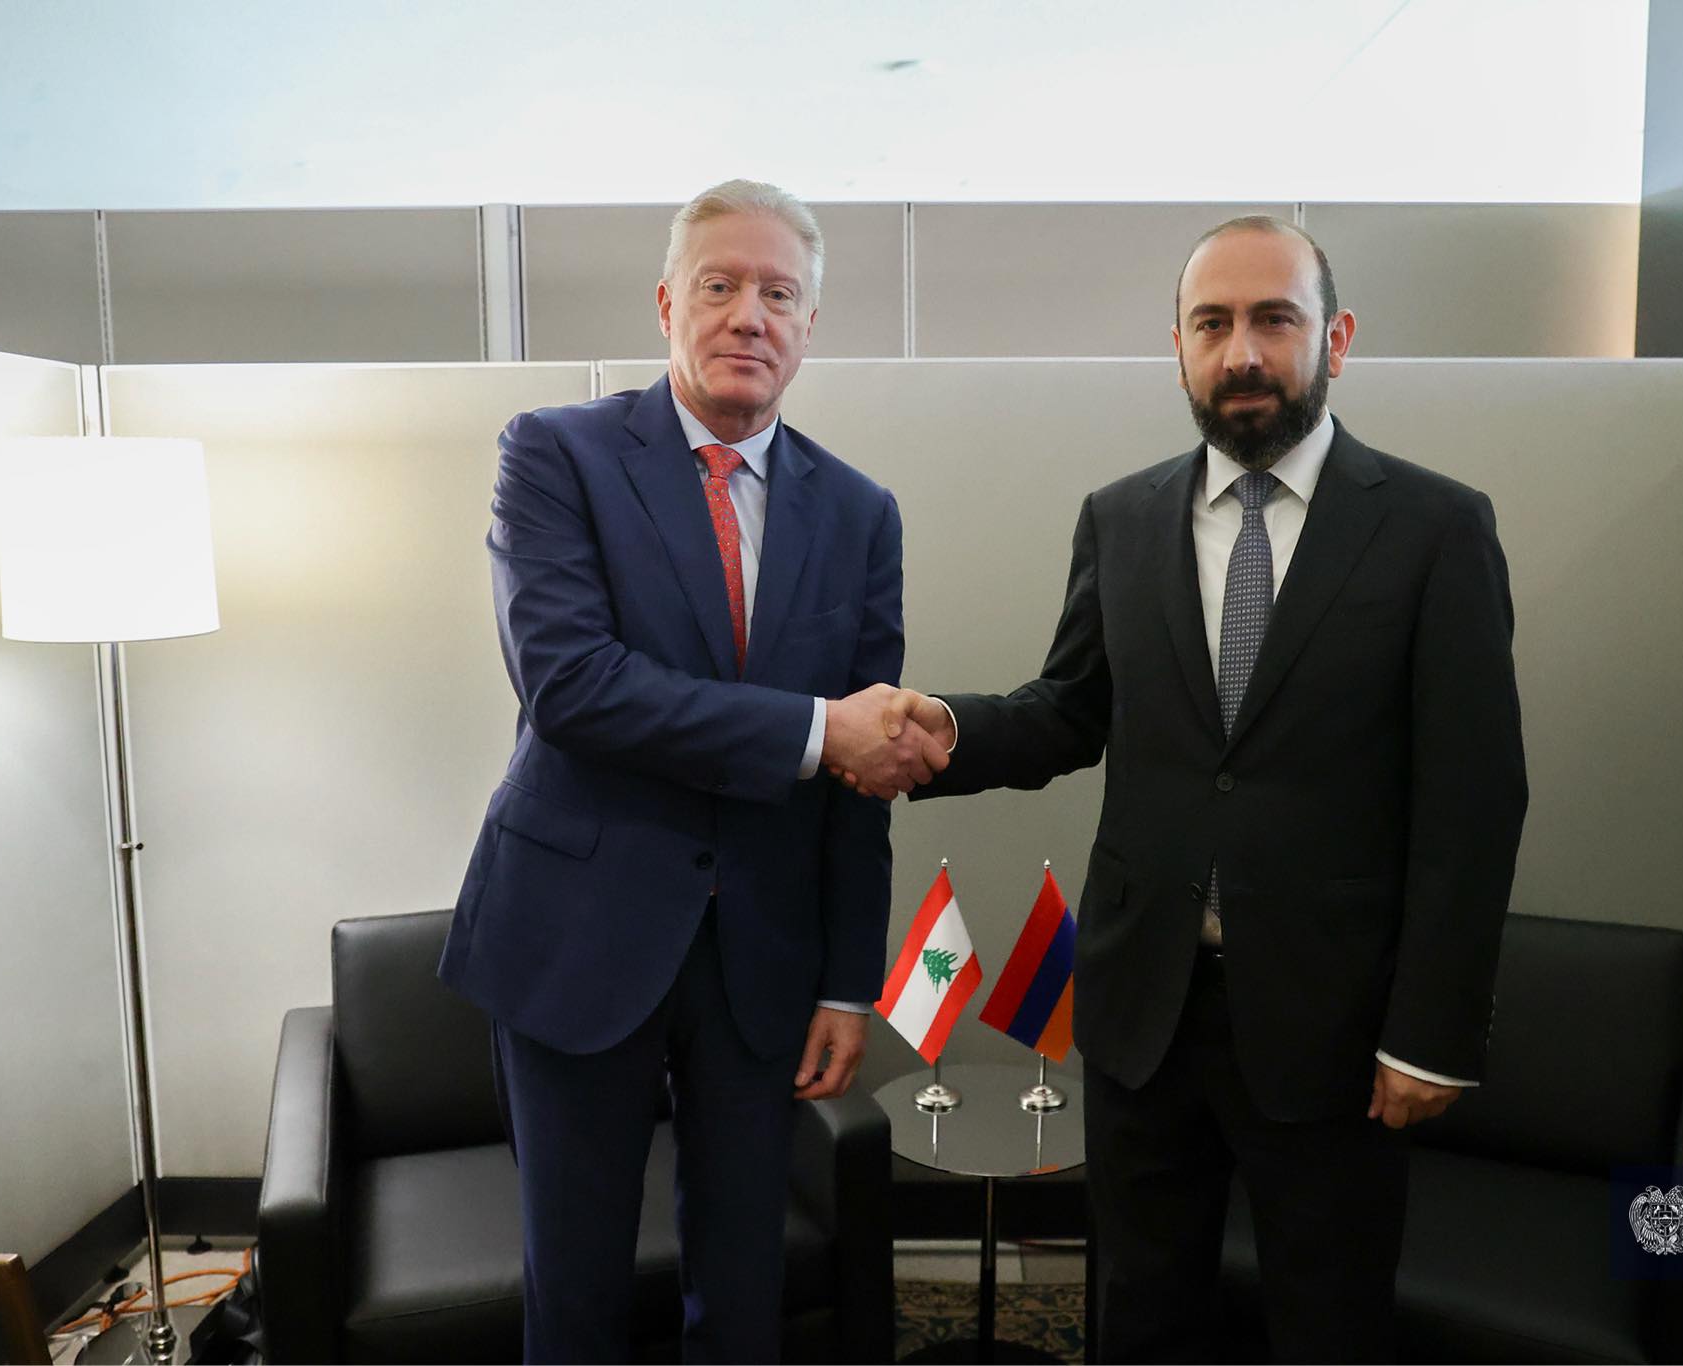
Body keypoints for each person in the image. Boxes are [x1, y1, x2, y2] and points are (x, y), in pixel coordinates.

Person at [852, 217, 1528, 1361]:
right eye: (1211, 323)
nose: (1241, 352)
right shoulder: (1119, 519)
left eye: (1274, 319)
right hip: (1143, 1012)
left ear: (1334, 339)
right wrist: (946, 731)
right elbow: (1069, 708)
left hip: (1332, 1024)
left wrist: (1431, 1034)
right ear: (1176, 347)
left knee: (1327, 1326)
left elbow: (1474, 799)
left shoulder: (1434, 528)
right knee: (1140, 1315)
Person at [440, 179, 946, 1363]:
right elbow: (573, 686)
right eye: (719, 285)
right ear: (668, 303)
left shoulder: (860, 513)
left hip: (761, 957)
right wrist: (813, 729)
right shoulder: (554, 453)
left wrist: (848, 981)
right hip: (574, 934)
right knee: (574, 1292)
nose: (747, 315)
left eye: (778, 293)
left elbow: (862, 768)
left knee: (743, 1288)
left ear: (809, 324)